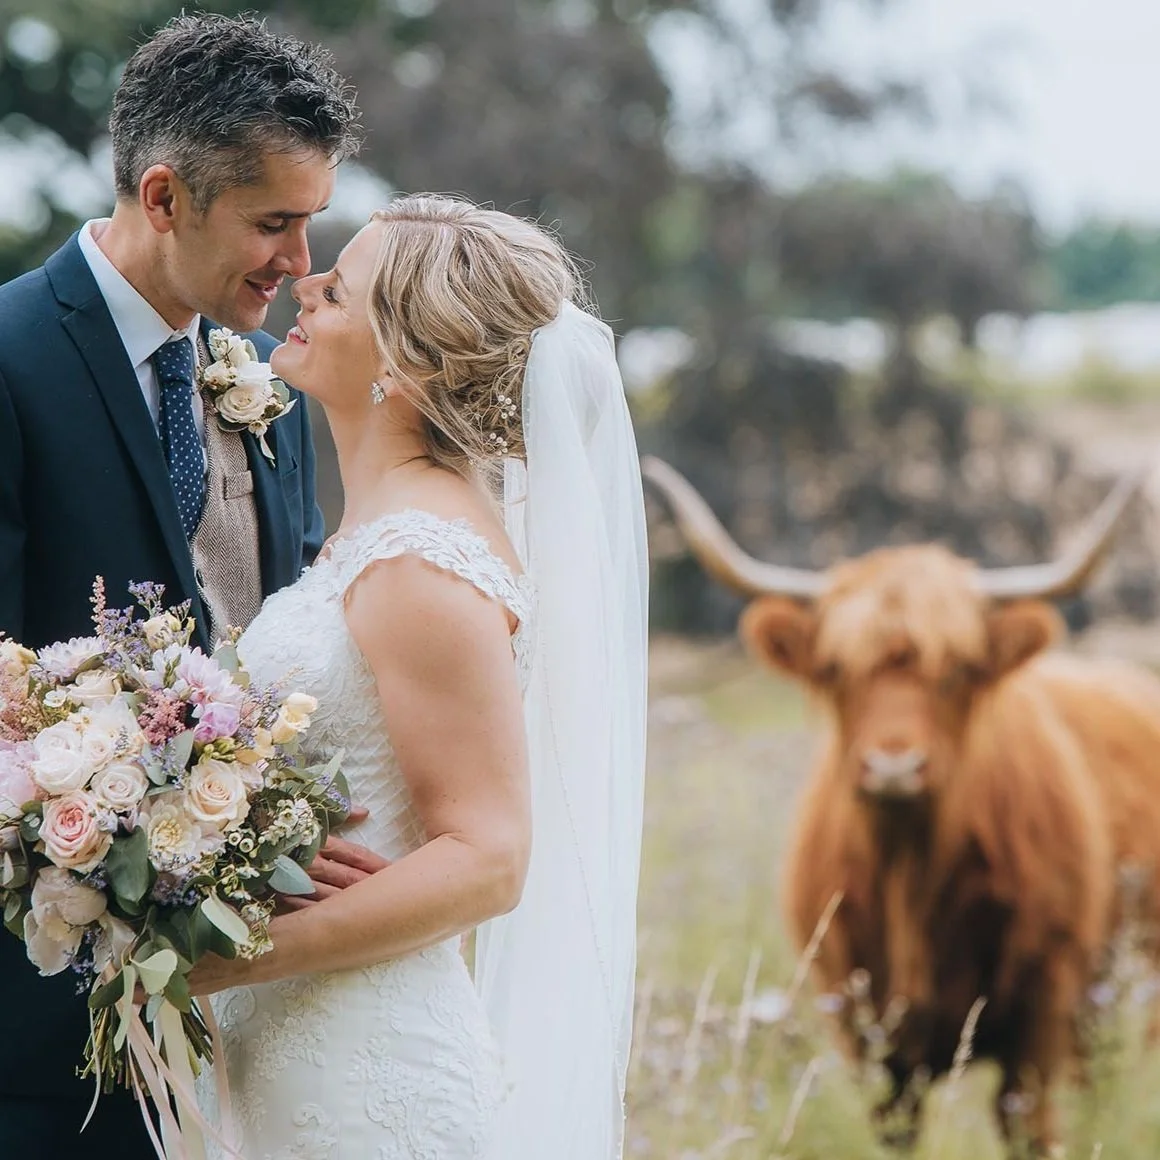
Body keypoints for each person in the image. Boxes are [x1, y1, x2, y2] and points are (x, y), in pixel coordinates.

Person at [189, 195, 649, 1159]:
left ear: (406, 362)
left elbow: (488, 857)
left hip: (365, 1075)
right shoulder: (378, 532)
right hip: (295, 1052)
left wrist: (228, 957)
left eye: (340, 289)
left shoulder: (420, 560)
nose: (305, 285)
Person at [0, 13, 363, 1158]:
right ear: (164, 197)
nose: (298, 266)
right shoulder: (8, 352)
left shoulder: (267, 377)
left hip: (254, 1003)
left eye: (308, 224)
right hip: (45, 1015)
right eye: (273, 224)